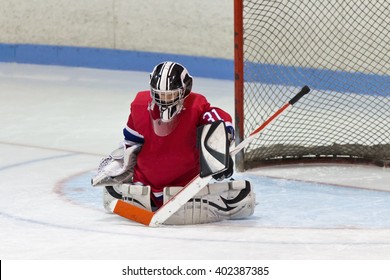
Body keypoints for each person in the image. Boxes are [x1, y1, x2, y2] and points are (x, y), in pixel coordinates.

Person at [92, 61, 255, 225]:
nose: (164, 99)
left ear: (185, 90)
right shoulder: (139, 105)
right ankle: (152, 196)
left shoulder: (195, 106)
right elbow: (131, 144)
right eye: (159, 94)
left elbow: (216, 117)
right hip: (146, 182)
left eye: (170, 94)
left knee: (243, 192)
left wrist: (220, 145)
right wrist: (120, 165)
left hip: (186, 183)